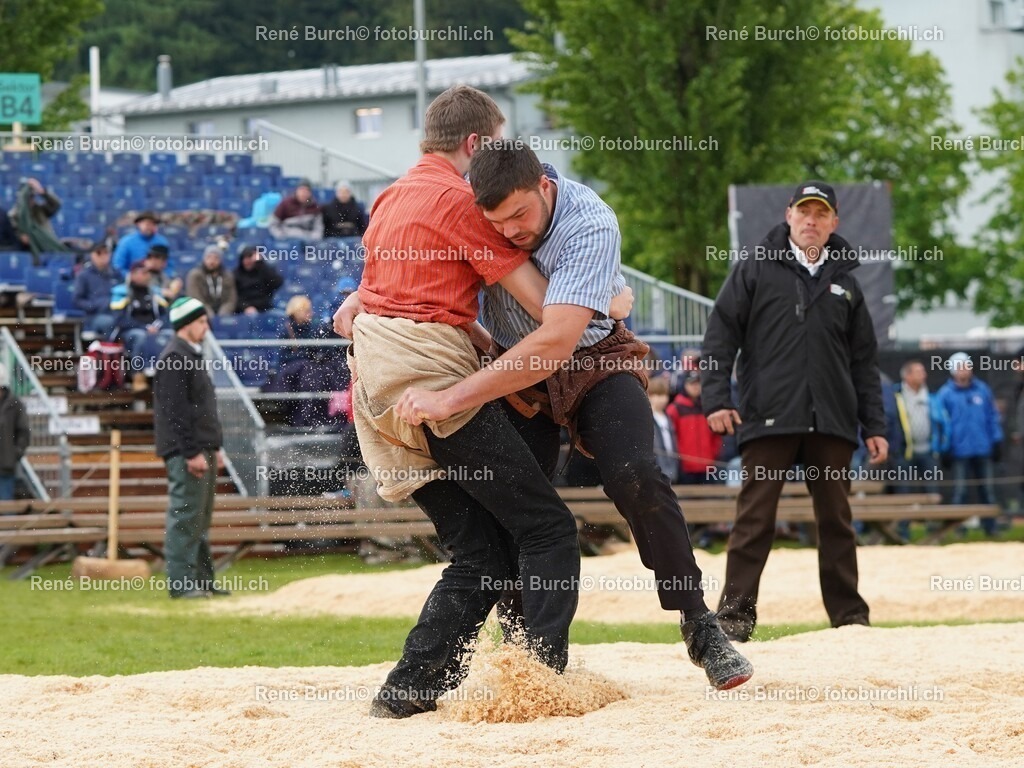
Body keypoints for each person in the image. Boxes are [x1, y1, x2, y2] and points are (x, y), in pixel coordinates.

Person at [347, 139, 753, 691]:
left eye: (520, 215)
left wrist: (451, 397)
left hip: (592, 360)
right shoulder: (473, 209)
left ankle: (700, 624)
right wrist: (362, 297)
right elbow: (418, 263)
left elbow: (556, 342)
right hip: (516, 370)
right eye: (498, 223)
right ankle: (526, 662)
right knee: (521, 517)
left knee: (634, 474)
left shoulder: (589, 222)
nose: (511, 231)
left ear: (544, 185)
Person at [333, 86, 601, 718]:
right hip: (428, 382)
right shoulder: (460, 199)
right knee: (548, 527)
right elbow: (545, 305)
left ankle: (408, 689)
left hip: (377, 388)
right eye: (496, 146)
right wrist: (603, 290)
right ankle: (540, 681)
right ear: (476, 143)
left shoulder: (391, 195)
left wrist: (471, 333)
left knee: (483, 551)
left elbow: (382, 297)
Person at [700, 180, 888, 642]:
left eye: (821, 214)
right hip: (769, 416)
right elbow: (720, 336)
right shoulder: (754, 268)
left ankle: (850, 618)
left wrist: (875, 425)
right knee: (754, 519)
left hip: (833, 420)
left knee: (837, 522)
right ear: (788, 215)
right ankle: (733, 619)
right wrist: (717, 399)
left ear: (834, 223)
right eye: (804, 212)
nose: (811, 221)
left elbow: (864, 362)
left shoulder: (847, 283)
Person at [153, 297, 226, 598]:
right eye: (201, 322)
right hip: (187, 451)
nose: (206, 327)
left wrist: (214, 447)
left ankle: (203, 582)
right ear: (186, 325)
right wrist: (191, 452)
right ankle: (182, 586)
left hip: (200, 447)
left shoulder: (189, 355)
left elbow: (201, 409)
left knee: (199, 519)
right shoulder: (174, 357)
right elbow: (176, 413)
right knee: (185, 517)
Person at [937, 351, 1003, 535]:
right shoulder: (945, 394)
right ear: (953, 370)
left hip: (982, 448)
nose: (965, 370)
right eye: (960, 367)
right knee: (961, 491)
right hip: (959, 450)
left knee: (987, 490)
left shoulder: (983, 390)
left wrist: (996, 440)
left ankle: (991, 527)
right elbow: (941, 423)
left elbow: (992, 417)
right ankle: (958, 528)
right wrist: (945, 447)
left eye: (967, 366)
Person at [890, 360, 949, 537]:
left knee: (932, 491)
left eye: (923, 371)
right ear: (907, 376)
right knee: (904, 492)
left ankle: (933, 531)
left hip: (928, 451)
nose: (923, 375)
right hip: (905, 452)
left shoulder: (931, 397)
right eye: (918, 372)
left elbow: (941, 422)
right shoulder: (895, 396)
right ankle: (903, 531)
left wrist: (939, 444)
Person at [110, 259, 172, 389]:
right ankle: (138, 376)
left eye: (147, 273)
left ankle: (170, 375)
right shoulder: (121, 292)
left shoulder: (155, 293)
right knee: (140, 336)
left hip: (154, 328)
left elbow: (164, 315)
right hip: (130, 330)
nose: (146, 276)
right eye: (142, 272)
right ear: (133, 274)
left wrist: (156, 326)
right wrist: (144, 327)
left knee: (171, 335)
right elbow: (120, 319)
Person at [667, 370, 723, 484]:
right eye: (692, 383)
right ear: (684, 385)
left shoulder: (708, 407)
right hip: (685, 468)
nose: (695, 387)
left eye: (698, 383)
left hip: (708, 466)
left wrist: (713, 456)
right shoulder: (675, 409)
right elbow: (672, 438)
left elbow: (716, 435)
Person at [8, 178, 69, 261]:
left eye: (32, 197)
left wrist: (42, 192)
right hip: (29, 250)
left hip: (47, 246)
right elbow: (13, 233)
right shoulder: (14, 215)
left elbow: (56, 204)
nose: (30, 200)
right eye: (28, 198)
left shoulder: (40, 210)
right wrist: (20, 236)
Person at [73, 242, 123, 338]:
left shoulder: (116, 274)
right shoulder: (84, 276)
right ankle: (112, 346)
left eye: (106, 252)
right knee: (110, 322)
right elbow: (77, 300)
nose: (103, 256)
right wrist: (96, 305)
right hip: (94, 316)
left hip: (117, 313)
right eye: (99, 253)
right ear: (92, 255)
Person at [0, 363, 30, 501]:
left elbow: (23, 432)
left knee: (6, 506)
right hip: (6, 464)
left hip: (5, 466)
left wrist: (14, 453)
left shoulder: (15, 405)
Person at [186, 245, 237, 316]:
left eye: (216, 258)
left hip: (223, 314)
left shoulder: (227, 276)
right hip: (202, 314)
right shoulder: (195, 275)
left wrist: (221, 316)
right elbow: (195, 298)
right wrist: (210, 316)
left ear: (220, 260)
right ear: (204, 258)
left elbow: (231, 300)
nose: (212, 261)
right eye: (209, 257)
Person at [234, 245, 284, 314]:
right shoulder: (236, 274)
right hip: (243, 311)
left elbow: (277, 282)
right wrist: (245, 307)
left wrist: (260, 262)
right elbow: (234, 296)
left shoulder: (263, 270)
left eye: (249, 258)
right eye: (245, 258)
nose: (247, 261)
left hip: (265, 309)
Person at [649, 376, 679, 483]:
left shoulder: (668, 418)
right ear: (649, 396)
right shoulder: (647, 417)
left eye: (665, 395)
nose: (662, 399)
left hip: (671, 469)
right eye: (658, 395)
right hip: (655, 471)